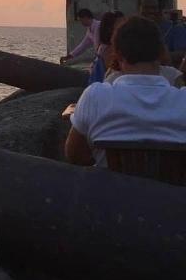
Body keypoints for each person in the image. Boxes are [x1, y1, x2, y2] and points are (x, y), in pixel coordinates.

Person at [65, 15, 186, 168]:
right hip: (171, 192)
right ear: (161, 52)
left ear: (118, 55)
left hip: (111, 190)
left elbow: (75, 156)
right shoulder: (183, 100)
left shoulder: (95, 96)